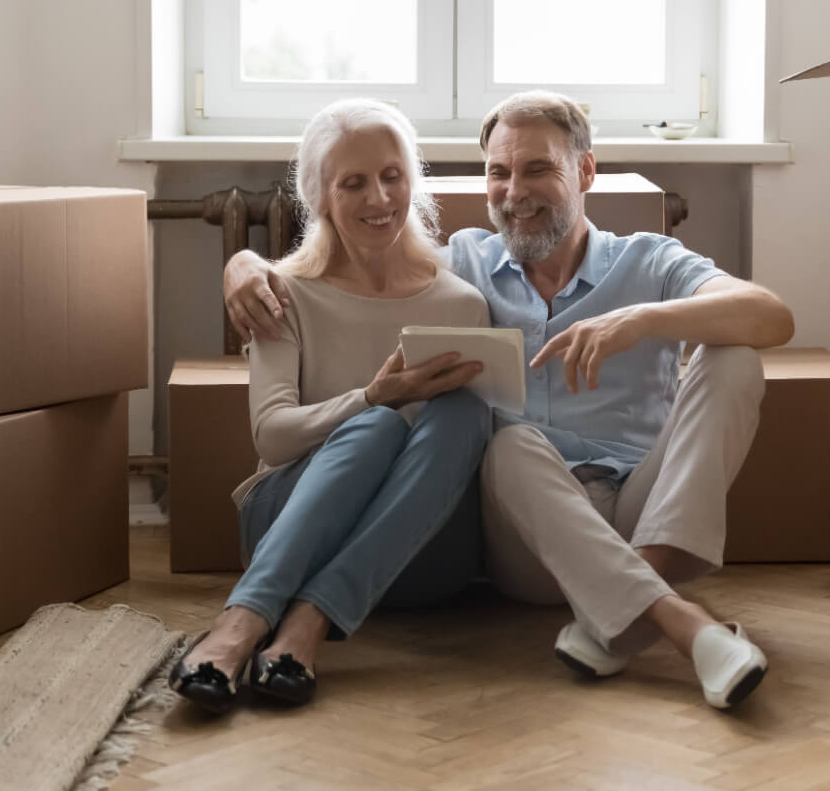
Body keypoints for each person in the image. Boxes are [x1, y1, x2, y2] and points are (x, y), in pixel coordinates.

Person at [225, 91, 795, 710]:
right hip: (527, 530)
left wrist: (637, 321)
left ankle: (631, 600)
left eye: (538, 169)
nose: (515, 190)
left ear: (584, 172)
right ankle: (682, 624)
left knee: (734, 356)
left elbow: (772, 316)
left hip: (644, 510)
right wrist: (243, 263)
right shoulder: (463, 266)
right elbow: (360, 257)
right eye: (499, 172)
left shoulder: (649, 259)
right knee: (509, 441)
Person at [170, 98, 492, 715]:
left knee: (468, 414)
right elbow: (272, 439)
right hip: (284, 536)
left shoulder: (463, 302)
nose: (379, 198)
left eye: (392, 176)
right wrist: (373, 399)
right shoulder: (279, 293)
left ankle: (309, 620)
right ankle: (245, 622)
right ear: (320, 195)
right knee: (373, 425)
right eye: (354, 183)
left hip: (417, 556)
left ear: (412, 180)